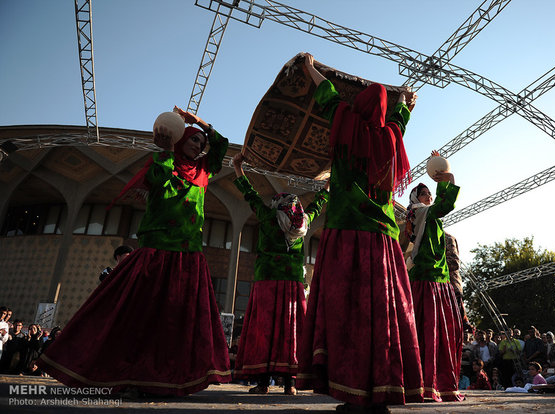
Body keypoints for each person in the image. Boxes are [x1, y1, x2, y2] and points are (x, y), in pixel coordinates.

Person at [37, 107, 232, 396]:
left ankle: (167, 379)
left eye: (202, 143)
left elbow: (222, 145)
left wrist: (197, 122)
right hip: (157, 251)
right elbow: (157, 181)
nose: (200, 146)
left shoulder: (203, 170)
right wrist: (166, 151)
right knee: (140, 318)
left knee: (175, 323)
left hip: (188, 254)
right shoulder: (160, 163)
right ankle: (127, 375)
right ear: (179, 141)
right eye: (194, 140)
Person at [297, 53, 424, 412]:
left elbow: (327, 93)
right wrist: (406, 102)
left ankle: (351, 393)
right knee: (382, 316)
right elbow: (403, 111)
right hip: (383, 242)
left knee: (346, 314)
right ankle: (380, 392)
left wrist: (309, 67)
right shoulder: (392, 137)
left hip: (345, 236)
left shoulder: (344, 123)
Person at [230, 153, 329, 395]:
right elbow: (318, 203)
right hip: (293, 284)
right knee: (292, 332)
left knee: (264, 331)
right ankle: (289, 385)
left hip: (267, 283)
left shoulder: (268, 217)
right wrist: (328, 184)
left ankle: (263, 384)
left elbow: (250, 195)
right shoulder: (303, 223)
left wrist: (237, 167)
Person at [405, 155, 463, 402]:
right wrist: (448, 179)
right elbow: (444, 205)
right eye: (424, 193)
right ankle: (419, 385)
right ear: (415, 199)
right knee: (424, 335)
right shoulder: (418, 213)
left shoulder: (431, 219)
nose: (428, 196)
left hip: (440, 284)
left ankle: (436, 385)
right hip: (424, 283)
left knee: (441, 336)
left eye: (430, 192)